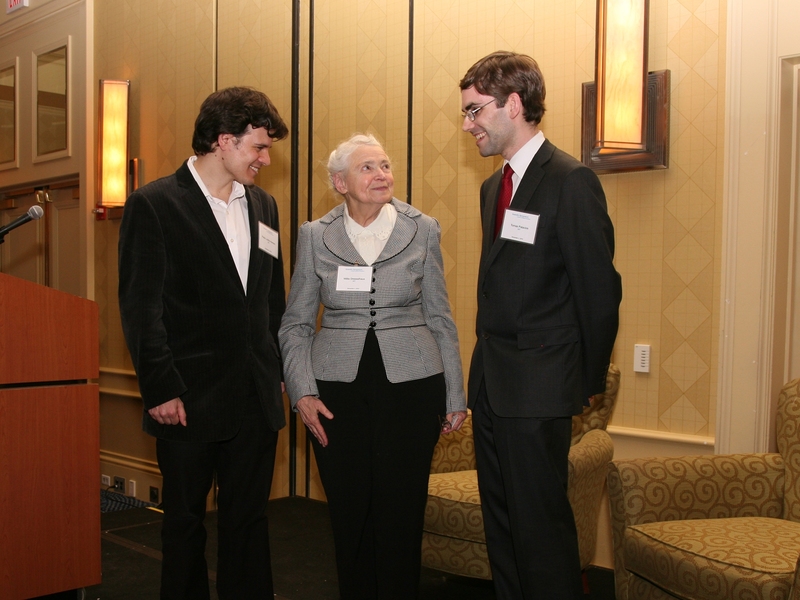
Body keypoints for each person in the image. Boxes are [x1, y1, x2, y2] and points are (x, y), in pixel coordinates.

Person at [459, 51, 622, 599]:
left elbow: (599, 295)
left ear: (513, 103)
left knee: (541, 533)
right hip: (492, 385)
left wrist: (584, 384)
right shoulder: (491, 188)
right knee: (502, 531)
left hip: (540, 387)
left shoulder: (571, 181)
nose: (468, 124)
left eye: (475, 110)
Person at [278, 133, 467, 599]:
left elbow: (440, 314)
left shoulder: (422, 227)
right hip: (335, 389)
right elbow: (296, 324)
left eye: (385, 165)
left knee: (402, 509)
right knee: (349, 508)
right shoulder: (314, 234)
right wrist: (301, 391)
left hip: (414, 383)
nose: (382, 174)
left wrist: (455, 394)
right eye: (368, 168)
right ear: (339, 182)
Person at [118, 86, 288, 600]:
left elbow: (269, 300)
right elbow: (141, 309)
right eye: (258, 147)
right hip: (186, 400)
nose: (265, 158)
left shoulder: (264, 206)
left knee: (249, 522)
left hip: (254, 397)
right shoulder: (155, 203)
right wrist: (160, 388)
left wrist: (278, 368)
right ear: (222, 140)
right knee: (185, 524)